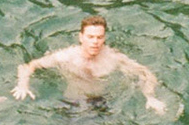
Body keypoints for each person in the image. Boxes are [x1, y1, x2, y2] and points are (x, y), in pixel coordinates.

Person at [12, 15, 166, 113]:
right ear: (81, 37)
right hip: (71, 103)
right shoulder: (66, 56)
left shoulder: (113, 58)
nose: (95, 42)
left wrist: (151, 97)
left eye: (99, 37)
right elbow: (29, 66)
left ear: (104, 38)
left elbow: (145, 73)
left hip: (102, 102)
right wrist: (22, 85)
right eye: (90, 37)